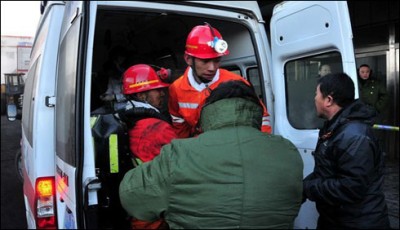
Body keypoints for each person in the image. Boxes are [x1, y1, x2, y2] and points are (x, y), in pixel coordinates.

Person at [119, 80, 304, 229]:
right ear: (256, 110)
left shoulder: (179, 154)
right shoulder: (288, 152)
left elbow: (131, 196)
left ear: (209, 111)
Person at [303, 73, 390, 229]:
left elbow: (351, 187)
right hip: (336, 219)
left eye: (316, 94)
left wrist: (309, 189)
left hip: (357, 223)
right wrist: (302, 187)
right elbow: (328, 171)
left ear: (328, 100)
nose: (314, 99)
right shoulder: (336, 127)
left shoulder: (354, 136)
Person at [168, 23, 271, 138]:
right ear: (188, 59)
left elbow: (262, 118)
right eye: (205, 61)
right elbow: (179, 124)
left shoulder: (236, 82)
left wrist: (258, 142)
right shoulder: (176, 89)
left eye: (217, 60)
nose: (212, 68)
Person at [119, 64, 177, 229]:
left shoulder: (125, 118)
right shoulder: (156, 127)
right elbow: (179, 166)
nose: (162, 93)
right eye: (156, 90)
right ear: (141, 95)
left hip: (135, 209)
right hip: (153, 216)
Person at [100, 45, 128, 110]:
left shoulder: (129, 76)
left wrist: (114, 97)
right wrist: (105, 95)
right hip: (116, 108)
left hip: (128, 107)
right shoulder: (112, 78)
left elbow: (131, 95)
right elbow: (110, 89)